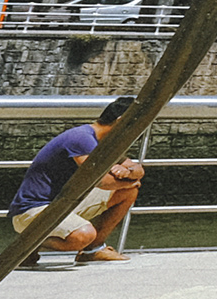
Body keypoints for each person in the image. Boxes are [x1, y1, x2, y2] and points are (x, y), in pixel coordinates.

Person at [11, 95, 144, 266]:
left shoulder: (103, 141)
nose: (139, 130)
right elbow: (102, 182)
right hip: (32, 210)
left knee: (128, 192)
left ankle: (93, 250)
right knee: (83, 235)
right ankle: (26, 245)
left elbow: (138, 169)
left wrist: (129, 172)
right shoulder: (81, 138)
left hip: (64, 204)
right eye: (138, 124)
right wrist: (131, 180)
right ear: (121, 121)